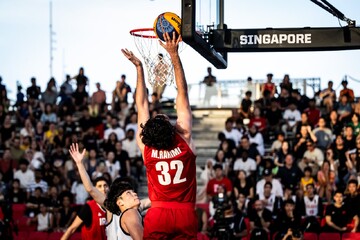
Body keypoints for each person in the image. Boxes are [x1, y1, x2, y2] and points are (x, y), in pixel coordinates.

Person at [122, 32, 198, 239]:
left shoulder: (147, 148)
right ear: (171, 126)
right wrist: (174, 55)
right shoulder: (185, 138)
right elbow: (183, 95)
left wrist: (139, 68)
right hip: (185, 212)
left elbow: (142, 104)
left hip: (159, 212)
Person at [68, 143, 149, 240]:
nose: (135, 194)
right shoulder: (112, 210)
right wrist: (79, 164)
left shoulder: (137, 208)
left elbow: (158, 200)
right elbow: (90, 189)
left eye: (133, 192)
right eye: (129, 193)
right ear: (119, 201)